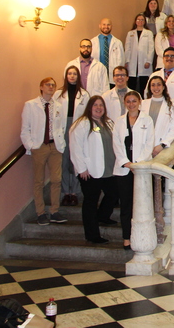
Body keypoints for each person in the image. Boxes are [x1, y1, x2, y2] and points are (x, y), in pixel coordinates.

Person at [69, 95, 117, 244]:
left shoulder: (108, 123)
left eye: (101, 105)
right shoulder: (81, 124)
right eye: (95, 105)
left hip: (109, 169)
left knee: (114, 194)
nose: (98, 108)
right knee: (90, 202)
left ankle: (102, 216)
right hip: (89, 171)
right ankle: (92, 234)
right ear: (90, 107)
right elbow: (75, 147)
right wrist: (81, 168)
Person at [20, 77, 68, 225]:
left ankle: (54, 211)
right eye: (48, 85)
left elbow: (62, 126)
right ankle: (40, 213)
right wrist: (31, 145)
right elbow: (25, 129)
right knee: (39, 181)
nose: (51, 87)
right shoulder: (30, 105)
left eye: (53, 85)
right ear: (41, 87)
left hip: (55, 146)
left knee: (56, 180)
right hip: (39, 146)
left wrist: (61, 143)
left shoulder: (59, 105)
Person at [112, 91, 155, 250]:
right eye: (128, 101)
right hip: (124, 169)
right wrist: (126, 163)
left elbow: (149, 143)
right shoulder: (119, 121)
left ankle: (142, 236)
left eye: (134, 101)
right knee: (126, 205)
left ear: (139, 102)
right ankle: (126, 238)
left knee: (141, 204)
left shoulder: (147, 120)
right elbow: (116, 143)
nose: (131, 104)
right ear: (125, 104)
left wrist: (137, 164)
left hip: (140, 168)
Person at [55, 66, 89, 207]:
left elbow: (87, 114)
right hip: (62, 129)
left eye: (75, 73)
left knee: (75, 161)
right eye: (69, 73)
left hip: (77, 128)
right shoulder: (58, 94)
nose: (72, 76)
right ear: (66, 75)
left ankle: (74, 192)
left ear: (78, 76)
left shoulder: (84, 94)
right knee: (63, 162)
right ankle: (65, 193)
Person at [143, 76, 174, 158]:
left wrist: (162, 145)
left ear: (163, 87)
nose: (156, 88)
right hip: (143, 146)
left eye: (159, 85)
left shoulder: (171, 106)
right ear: (149, 88)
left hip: (161, 148)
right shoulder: (142, 104)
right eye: (153, 85)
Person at [124, 13, 154, 96]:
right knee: (132, 85)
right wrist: (126, 61)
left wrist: (149, 61)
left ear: (144, 21)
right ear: (135, 21)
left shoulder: (148, 33)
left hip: (145, 63)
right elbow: (127, 48)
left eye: (142, 20)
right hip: (132, 63)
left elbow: (151, 48)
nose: (140, 21)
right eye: (138, 19)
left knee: (143, 85)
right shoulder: (130, 33)